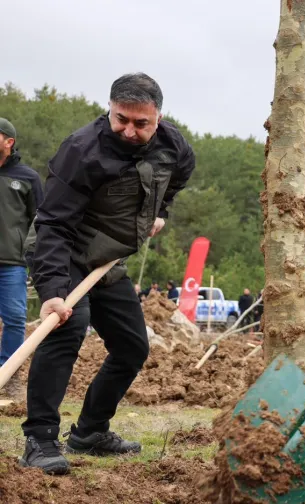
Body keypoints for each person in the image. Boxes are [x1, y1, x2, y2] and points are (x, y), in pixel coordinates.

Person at [22, 73, 196, 475]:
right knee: (67, 325)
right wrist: (52, 291)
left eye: (141, 123)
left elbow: (177, 178)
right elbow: (54, 224)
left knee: (132, 344)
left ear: (159, 118)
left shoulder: (174, 146)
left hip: (107, 259)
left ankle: (90, 432)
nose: (130, 131)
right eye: (122, 120)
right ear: (110, 108)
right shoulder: (82, 150)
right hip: (63, 250)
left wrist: (160, 211)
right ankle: (40, 439)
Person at [0, 118, 44, 401]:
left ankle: (8, 375)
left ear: (8, 142)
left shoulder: (28, 178)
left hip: (12, 263)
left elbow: (41, 219)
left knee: (15, 319)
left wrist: (30, 254)